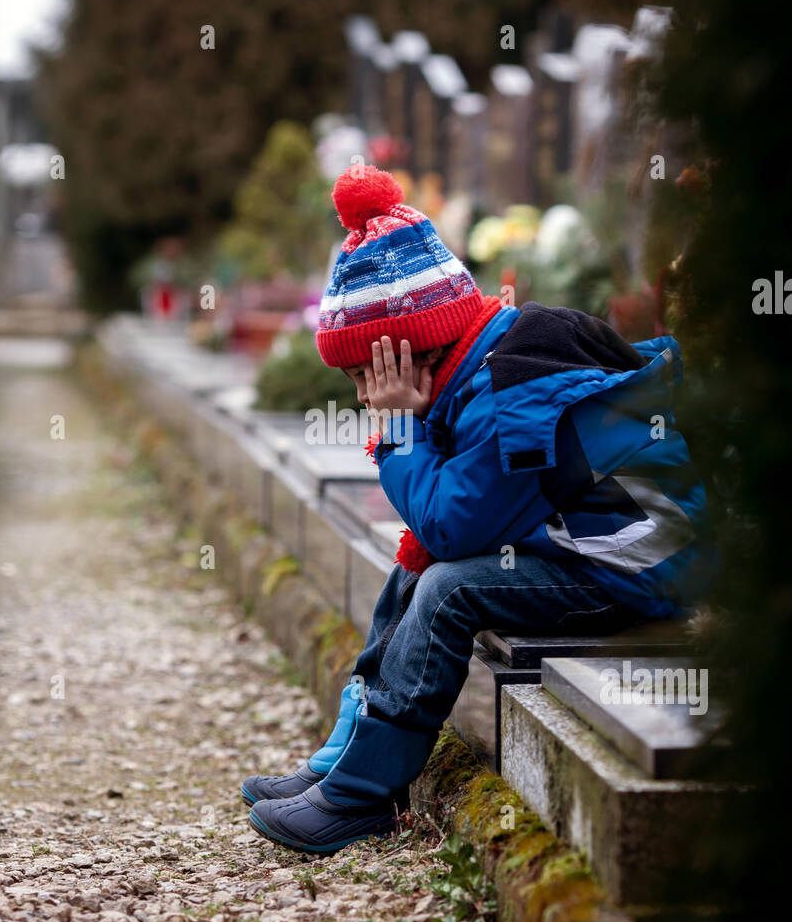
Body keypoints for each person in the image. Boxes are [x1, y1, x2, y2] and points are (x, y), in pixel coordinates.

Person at [243, 165, 712, 854]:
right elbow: (445, 521)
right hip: (577, 545)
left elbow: (451, 524)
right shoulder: (483, 363)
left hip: (632, 574)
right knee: (417, 569)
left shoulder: (511, 397)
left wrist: (400, 432)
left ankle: (362, 796)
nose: (364, 396)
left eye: (362, 376)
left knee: (445, 585)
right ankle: (342, 759)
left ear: (408, 354)